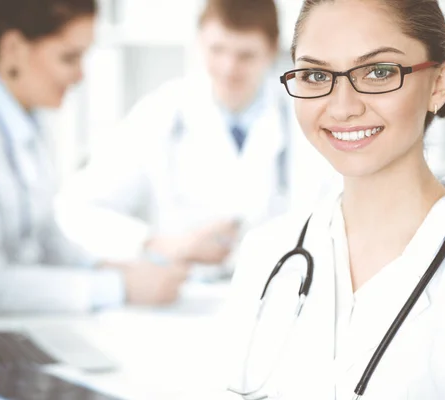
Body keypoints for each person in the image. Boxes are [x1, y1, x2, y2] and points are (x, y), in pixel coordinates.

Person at [220, 0, 445, 399]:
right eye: (317, 75)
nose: (343, 107)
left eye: (379, 72)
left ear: (438, 83)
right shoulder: (264, 256)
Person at [0, 0, 188, 314]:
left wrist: (109, 268)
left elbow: (44, 236)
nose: (81, 75)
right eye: (69, 57)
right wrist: (119, 287)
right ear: (14, 47)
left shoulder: (25, 114)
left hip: (8, 329)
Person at [56, 0, 336, 271]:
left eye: (245, 55)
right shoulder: (160, 114)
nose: (229, 68)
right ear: (200, 40)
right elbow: (76, 210)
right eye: (217, 50)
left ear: (272, 49)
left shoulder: (305, 118)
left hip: (282, 294)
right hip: (182, 297)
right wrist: (161, 244)